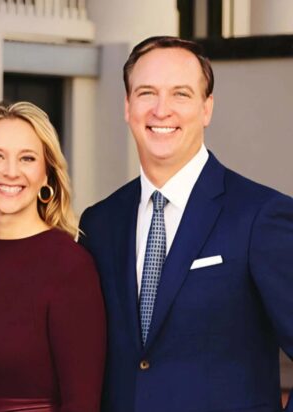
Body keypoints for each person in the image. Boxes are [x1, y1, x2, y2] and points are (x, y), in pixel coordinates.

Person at [79, 36, 293, 412]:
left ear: (206, 108)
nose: (162, 110)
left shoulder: (260, 216)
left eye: (180, 94)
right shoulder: (99, 224)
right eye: (147, 93)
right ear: (127, 107)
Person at [0, 101, 106, 412]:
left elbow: (82, 402)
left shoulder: (70, 266)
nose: (11, 172)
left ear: (46, 176)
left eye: (27, 158)